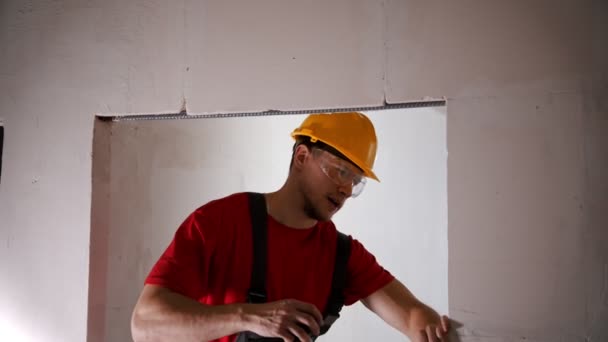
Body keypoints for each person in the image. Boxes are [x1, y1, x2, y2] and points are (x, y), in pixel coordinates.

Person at [131, 112, 451, 342]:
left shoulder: (343, 255)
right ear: (302, 156)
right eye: (340, 172)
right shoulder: (218, 223)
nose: (345, 189)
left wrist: (437, 331)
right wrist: (252, 317)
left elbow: (413, 318)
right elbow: (145, 325)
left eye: (355, 181)